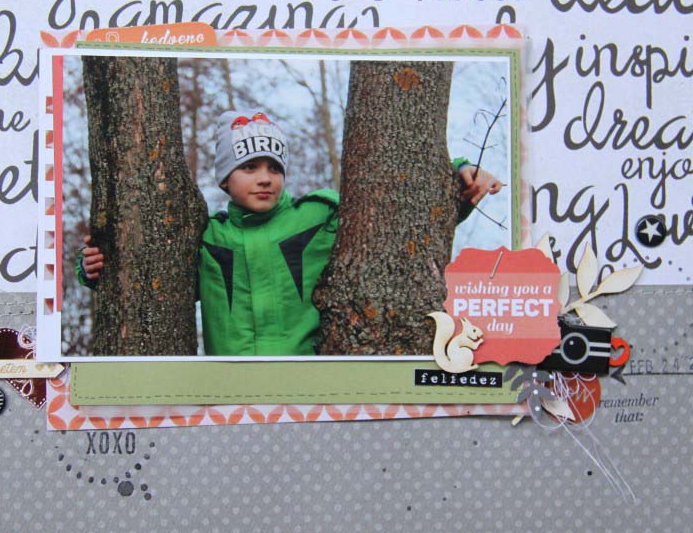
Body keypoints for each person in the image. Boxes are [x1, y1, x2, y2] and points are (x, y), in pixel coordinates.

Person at [78, 110, 502, 356]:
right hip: (228, 393)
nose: (265, 178)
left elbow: (400, 221)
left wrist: (461, 176)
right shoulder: (207, 240)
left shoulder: (318, 216)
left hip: (309, 384)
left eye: (274, 167)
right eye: (249, 167)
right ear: (224, 179)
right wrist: (94, 268)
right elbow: (150, 281)